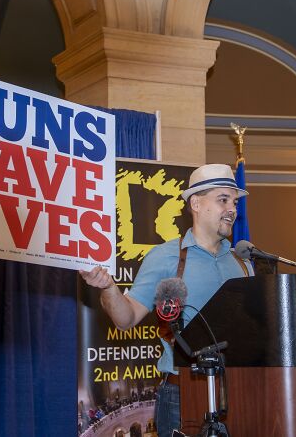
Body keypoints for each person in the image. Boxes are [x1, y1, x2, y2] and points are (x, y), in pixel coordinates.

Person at [80, 163, 253, 437]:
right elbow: (126, 319)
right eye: (223, 199)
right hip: (182, 391)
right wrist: (109, 288)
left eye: (234, 201)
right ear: (196, 203)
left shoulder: (243, 264)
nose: (232, 208)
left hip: (239, 390)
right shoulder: (164, 257)